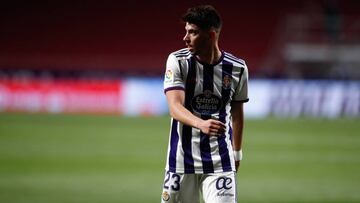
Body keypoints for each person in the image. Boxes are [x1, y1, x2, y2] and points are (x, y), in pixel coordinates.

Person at [161, 5, 249, 203]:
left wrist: (237, 152)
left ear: (211, 35)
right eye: (186, 31)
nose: (185, 38)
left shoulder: (237, 68)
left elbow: (237, 112)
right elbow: (175, 107)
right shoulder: (178, 61)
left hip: (220, 162)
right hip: (181, 161)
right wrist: (201, 123)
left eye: (192, 32)